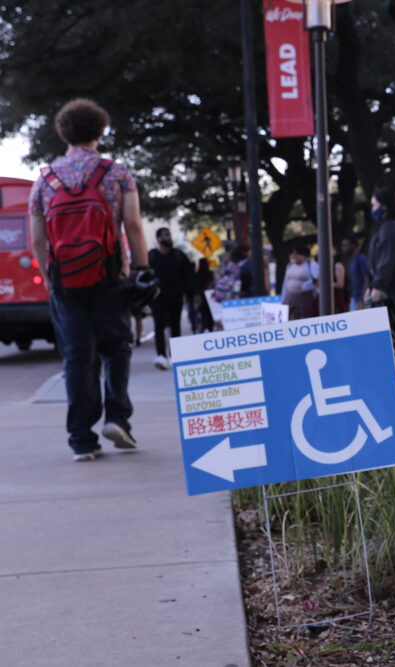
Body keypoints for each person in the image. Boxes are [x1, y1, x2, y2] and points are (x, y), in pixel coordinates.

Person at [28, 98, 150, 461]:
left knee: (78, 356)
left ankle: (81, 438)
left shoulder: (46, 179)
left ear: (63, 132)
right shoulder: (117, 173)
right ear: (100, 130)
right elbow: (133, 224)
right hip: (110, 275)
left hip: (66, 281)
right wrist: (142, 269)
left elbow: (38, 239)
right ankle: (117, 418)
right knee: (117, 346)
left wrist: (50, 278)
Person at [367, 187, 395, 374]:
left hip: (393, 289)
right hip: (392, 288)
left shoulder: (390, 229)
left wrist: (378, 286)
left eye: (374, 205)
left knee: (393, 330)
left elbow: (387, 261)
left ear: (384, 205)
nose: (372, 209)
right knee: (394, 329)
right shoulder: (389, 227)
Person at [148, 227, 197, 369]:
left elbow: (189, 275)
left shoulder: (178, 255)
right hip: (157, 296)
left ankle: (174, 355)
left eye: (169, 235)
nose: (169, 238)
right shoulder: (151, 256)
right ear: (159, 238)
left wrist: (193, 293)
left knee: (175, 325)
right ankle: (161, 355)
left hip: (176, 295)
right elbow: (143, 275)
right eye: (165, 235)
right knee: (159, 325)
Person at [280, 243, 320, 320]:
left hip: (304, 297)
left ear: (304, 255)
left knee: (302, 318)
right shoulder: (290, 265)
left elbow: (317, 281)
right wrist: (283, 297)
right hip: (290, 297)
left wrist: (307, 286)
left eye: (297, 254)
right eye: (293, 254)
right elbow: (285, 283)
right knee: (288, 317)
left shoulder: (312, 265)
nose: (294, 256)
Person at [341, 234, 370, 311]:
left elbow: (367, 279)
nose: (343, 247)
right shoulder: (350, 261)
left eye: (345, 245)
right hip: (354, 298)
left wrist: (363, 299)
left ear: (353, 246)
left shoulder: (361, 259)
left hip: (362, 298)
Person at [194, 257, 216, 332]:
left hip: (202, 296)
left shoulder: (197, 274)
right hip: (209, 295)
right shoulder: (210, 273)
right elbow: (213, 284)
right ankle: (210, 327)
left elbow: (196, 287)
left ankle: (205, 327)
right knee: (209, 313)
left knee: (203, 313)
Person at [333, 247, 348, 314]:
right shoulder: (326, 265)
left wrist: (326, 285)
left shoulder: (338, 265)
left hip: (336, 297)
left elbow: (340, 284)